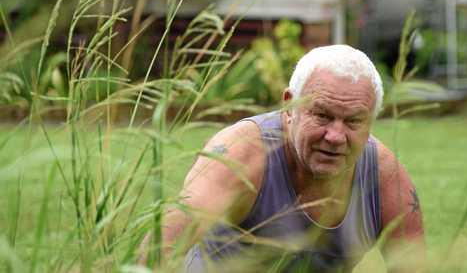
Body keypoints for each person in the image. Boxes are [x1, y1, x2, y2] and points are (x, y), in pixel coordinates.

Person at [146, 45, 424, 272]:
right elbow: (156, 251)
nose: (336, 136)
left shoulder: (384, 177)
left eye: (354, 121)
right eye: (323, 115)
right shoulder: (240, 154)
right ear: (290, 106)